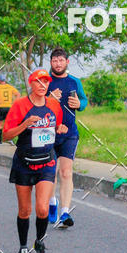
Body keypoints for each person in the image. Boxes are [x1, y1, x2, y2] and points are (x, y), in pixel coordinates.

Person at [3, 69, 68, 253]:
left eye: (45, 82)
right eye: (38, 82)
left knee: (41, 208)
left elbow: (58, 125)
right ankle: (23, 247)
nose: (42, 85)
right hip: (24, 163)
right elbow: (6, 135)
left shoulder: (54, 105)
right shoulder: (20, 105)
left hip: (46, 162)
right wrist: (25, 124)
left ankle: (39, 243)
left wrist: (60, 128)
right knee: (25, 210)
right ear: (31, 83)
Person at [46, 48, 88, 228]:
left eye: (61, 60)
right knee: (50, 173)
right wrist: (49, 98)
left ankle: (65, 212)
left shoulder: (74, 82)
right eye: (54, 60)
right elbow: (34, 103)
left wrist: (80, 104)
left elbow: (84, 101)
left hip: (70, 133)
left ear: (67, 62)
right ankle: (52, 203)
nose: (57, 63)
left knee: (66, 172)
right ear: (51, 63)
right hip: (48, 133)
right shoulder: (45, 81)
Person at [0, 74, 20, 143]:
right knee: (9, 124)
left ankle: (0, 141)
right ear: (5, 80)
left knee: (0, 124)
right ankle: (10, 139)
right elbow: (18, 94)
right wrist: (14, 103)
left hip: (0, 107)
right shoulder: (10, 87)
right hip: (9, 107)